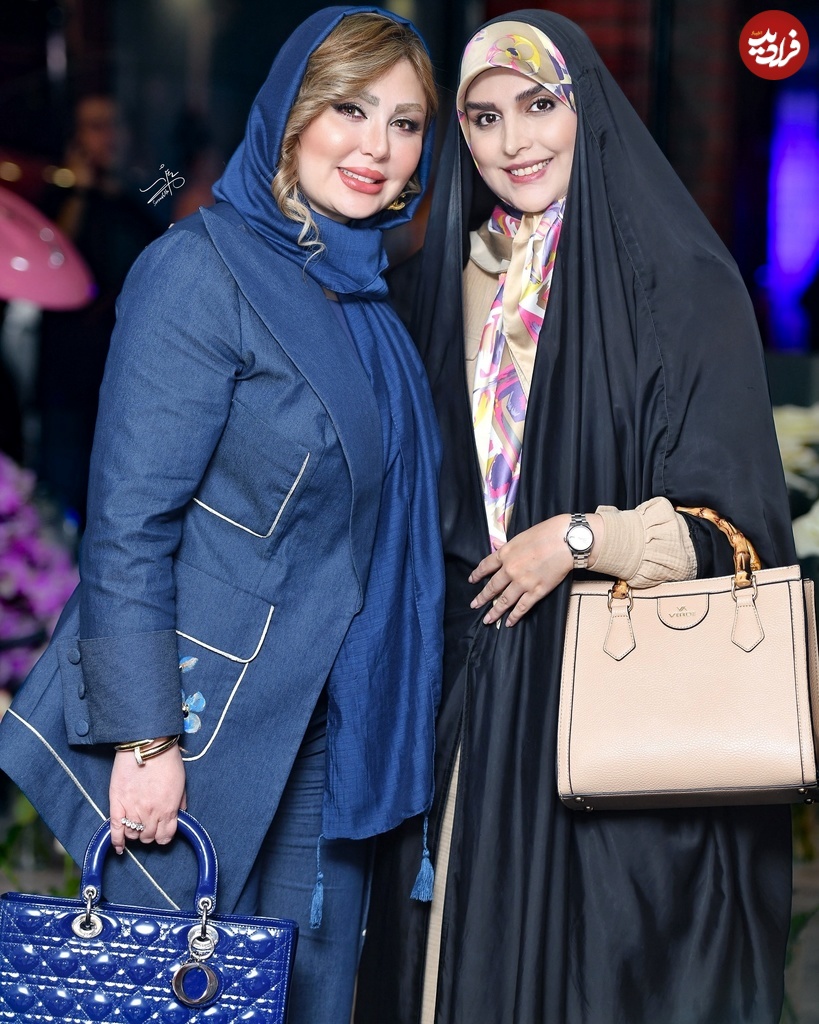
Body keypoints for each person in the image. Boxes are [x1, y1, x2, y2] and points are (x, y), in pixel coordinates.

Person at [0, 9, 443, 1024]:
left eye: (406, 122)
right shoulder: (202, 268)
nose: (377, 146)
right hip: (209, 733)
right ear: (290, 115)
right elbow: (128, 524)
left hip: (336, 729)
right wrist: (144, 738)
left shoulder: (368, 299)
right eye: (349, 109)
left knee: (308, 1002)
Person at [355, 12, 795, 1024]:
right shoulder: (436, 286)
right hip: (462, 714)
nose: (514, 141)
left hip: (614, 716)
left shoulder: (681, 290)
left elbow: (739, 535)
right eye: (484, 117)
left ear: (585, 108)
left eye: (539, 105)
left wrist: (580, 538)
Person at [36, 94, 159, 528]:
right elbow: (53, 257)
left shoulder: (143, 195)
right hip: (68, 375)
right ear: (76, 138)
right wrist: (81, 189)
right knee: (60, 495)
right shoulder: (60, 196)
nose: (108, 136)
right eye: (95, 126)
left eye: (114, 125)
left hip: (126, 374)